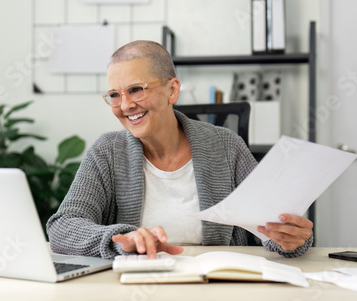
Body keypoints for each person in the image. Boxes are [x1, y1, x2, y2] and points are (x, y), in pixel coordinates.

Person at [47, 40, 313, 259]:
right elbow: (62, 227)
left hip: (219, 286)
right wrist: (120, 239)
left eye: (136, 90)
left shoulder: (226, 146)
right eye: (115, 95)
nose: (125, 105)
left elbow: (276, 224)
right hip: (137, 285)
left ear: (172, 91)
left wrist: (291, 238)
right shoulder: (106, 152)